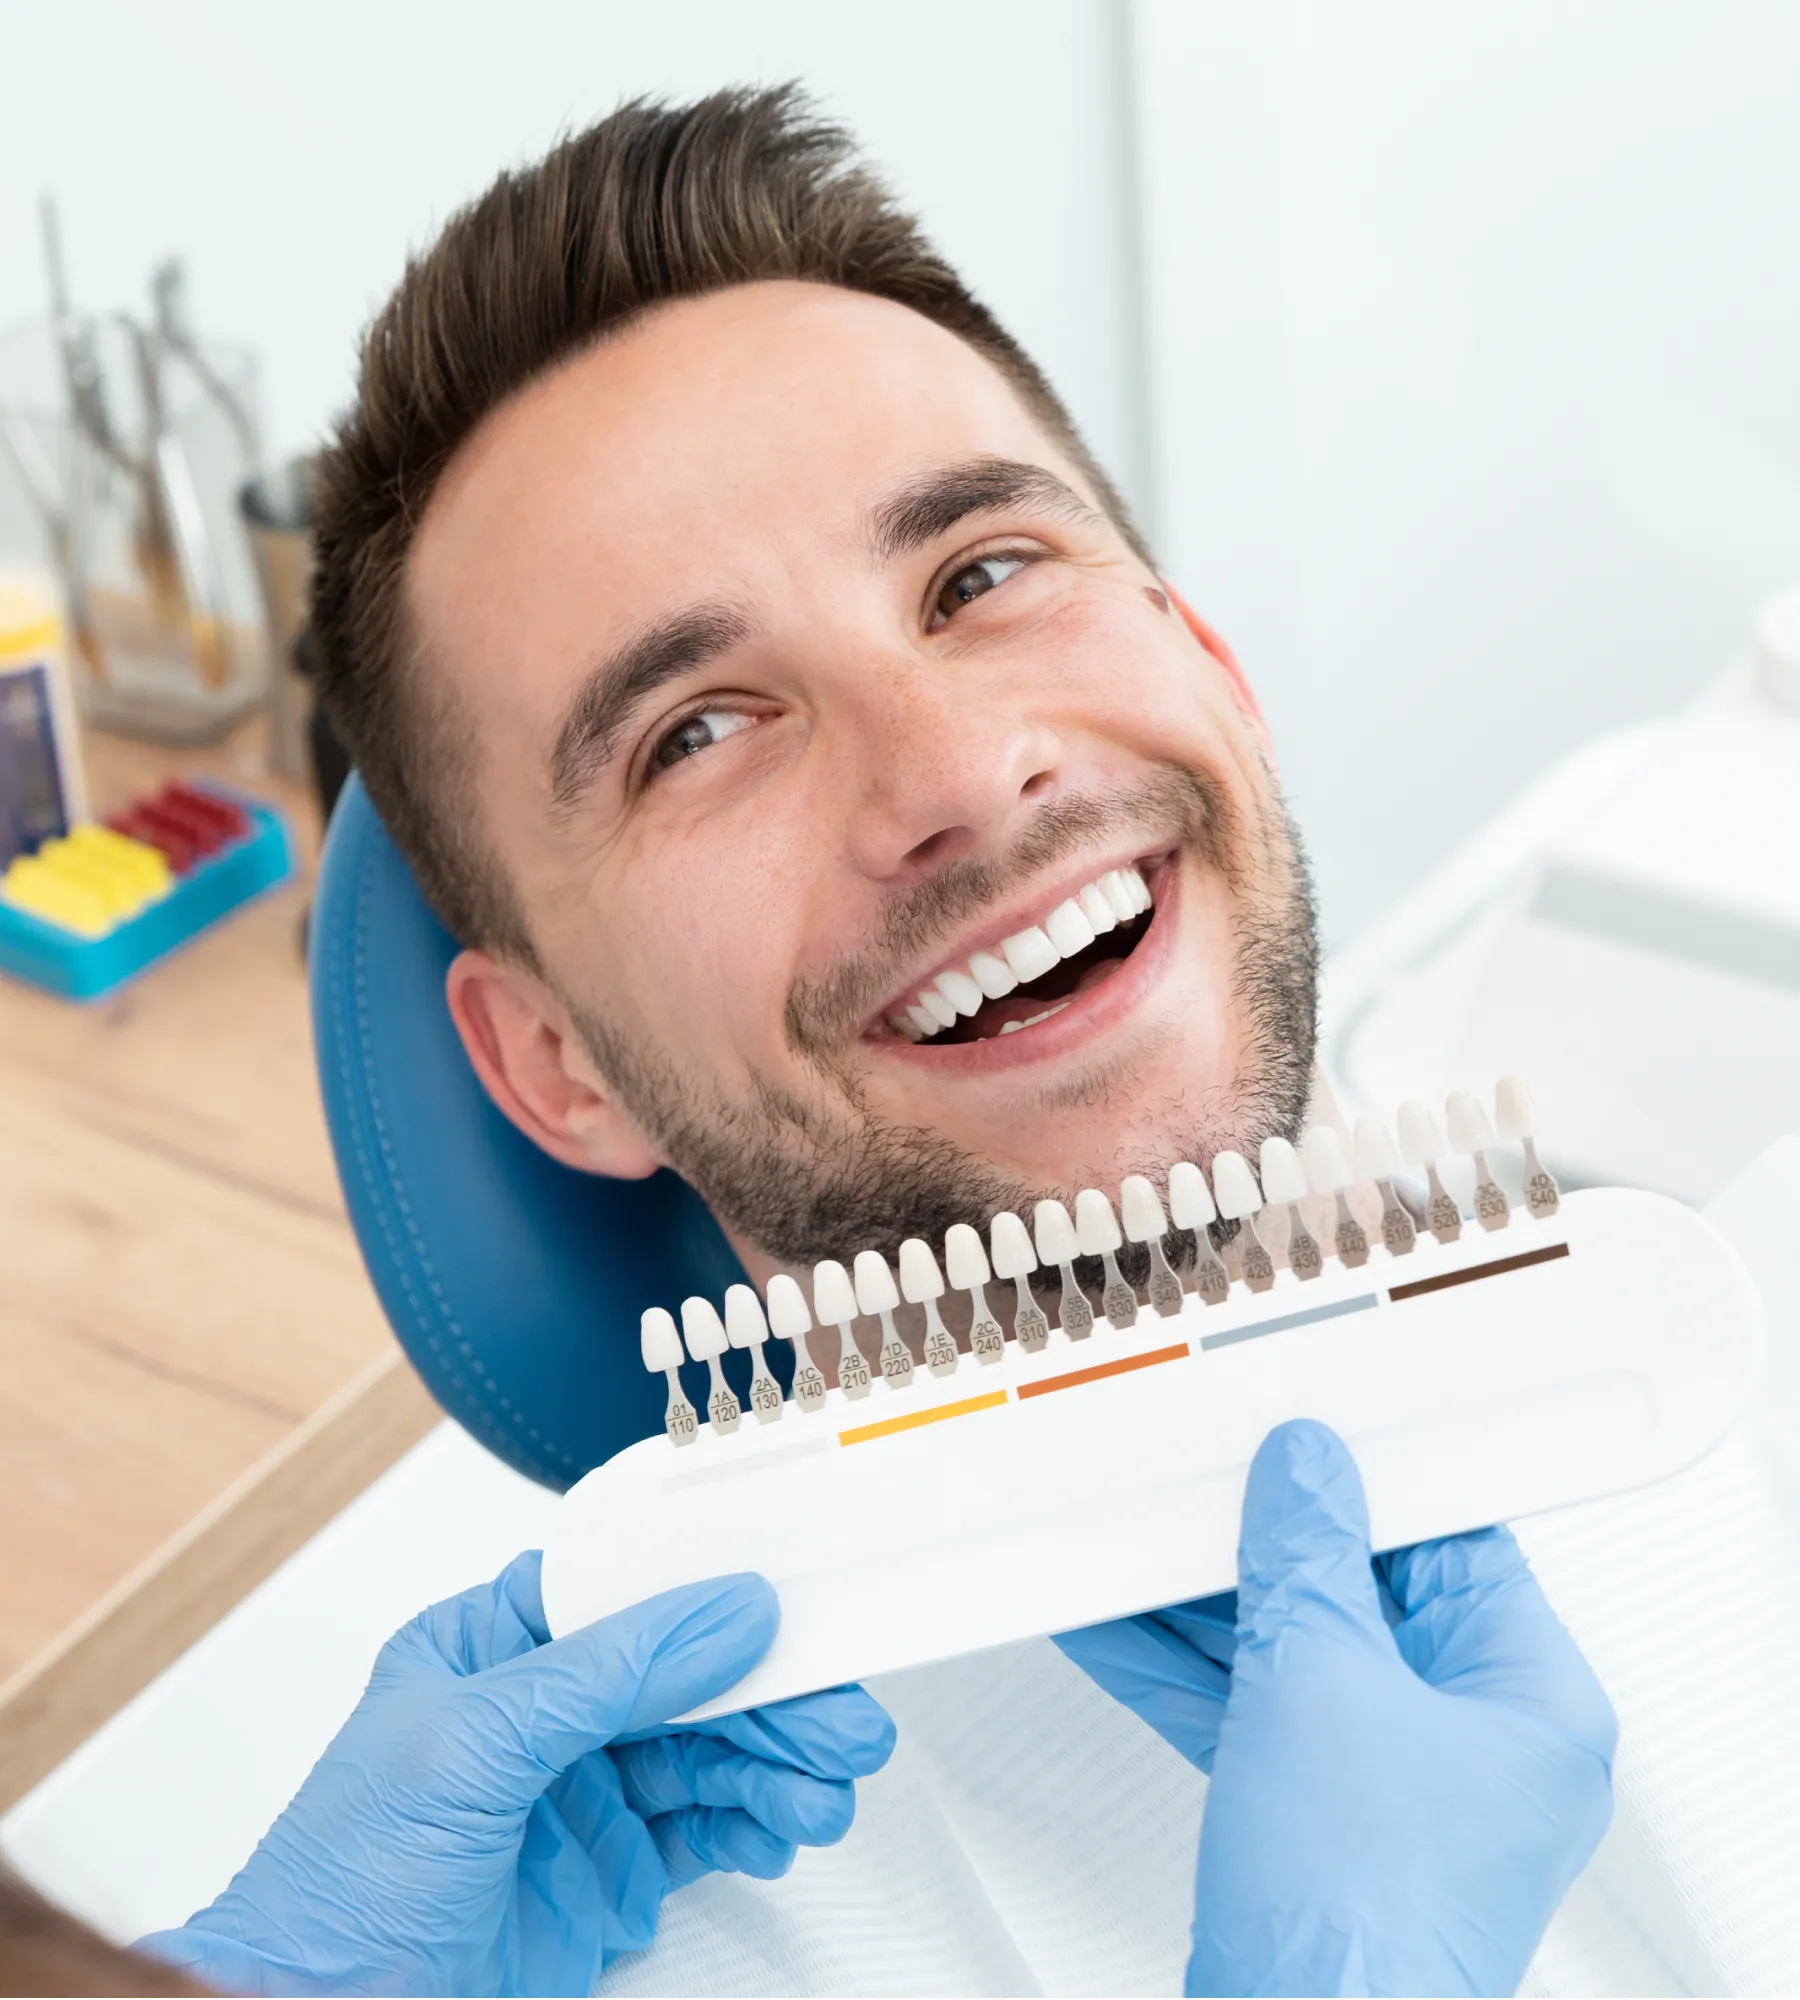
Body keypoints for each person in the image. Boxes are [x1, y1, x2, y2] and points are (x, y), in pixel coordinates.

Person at [136, 86, 1617, 1997]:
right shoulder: (665, 1911)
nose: (957, 776)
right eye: (698, 729)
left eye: (982, 577)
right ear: (557, 1066)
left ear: (1211, 670)